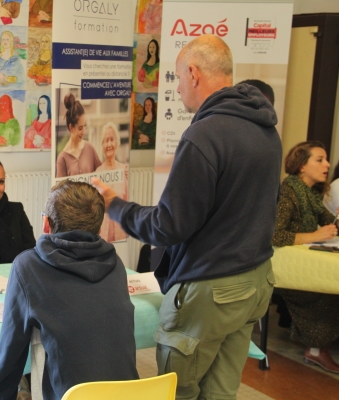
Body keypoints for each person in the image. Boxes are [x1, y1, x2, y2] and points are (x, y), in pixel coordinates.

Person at [93, 35, 282, 399]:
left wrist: (115, 204)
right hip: (255, 280)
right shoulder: (266, 128)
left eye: (178, 79)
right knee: (222, 390)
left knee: (178, 390)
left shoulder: (204, 135)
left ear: (193, 73)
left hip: (210, 290)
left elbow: (168, 225)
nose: (177, 90)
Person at [0, 180, 138, 400]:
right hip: (131, 394)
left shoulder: (28, 265)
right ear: (99, 226)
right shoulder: (116, 263)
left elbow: (12, 351)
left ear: (46, 224)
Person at [272, 141, 339, 373]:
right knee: (326, 294)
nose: (327, 165)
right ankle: (316, 349)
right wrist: (315, 235)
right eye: (319, 160)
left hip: (302, 261)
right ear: (302, 166)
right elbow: (275, 235)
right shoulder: (289, 191)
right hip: (285, 266)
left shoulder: (309, 193)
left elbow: (329, 221)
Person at [95, 123, 127, 242]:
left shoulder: (125, 170)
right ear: (102, 145)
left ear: (117, 143)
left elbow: (127, 202)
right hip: (103, 232)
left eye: (112, 140)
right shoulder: (98, 172)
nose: (109, 144)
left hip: (120, 231)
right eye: (106, 140)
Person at [56, 93, 101, 177]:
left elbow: (103, 173)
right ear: (71, 128)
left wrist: (122, 172)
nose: (83, 131)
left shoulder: (89, 148)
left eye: (84, 126)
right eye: (80, 128)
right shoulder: (62, 159)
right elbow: (61, 189)